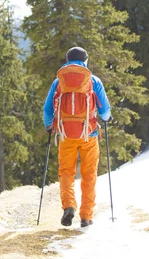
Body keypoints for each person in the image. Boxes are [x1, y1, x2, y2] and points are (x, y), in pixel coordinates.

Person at [43, 47, 111, 228]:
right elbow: (105, 111)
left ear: (67, 60)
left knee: (66, 172)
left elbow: (47, 109)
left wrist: (49, 126)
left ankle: (69, 206)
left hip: (65, 134)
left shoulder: (58, 81)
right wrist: (106, 118)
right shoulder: (93, 80)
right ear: (85, 61)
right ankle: (86, 217)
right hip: (89, 134)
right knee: (89, 175)